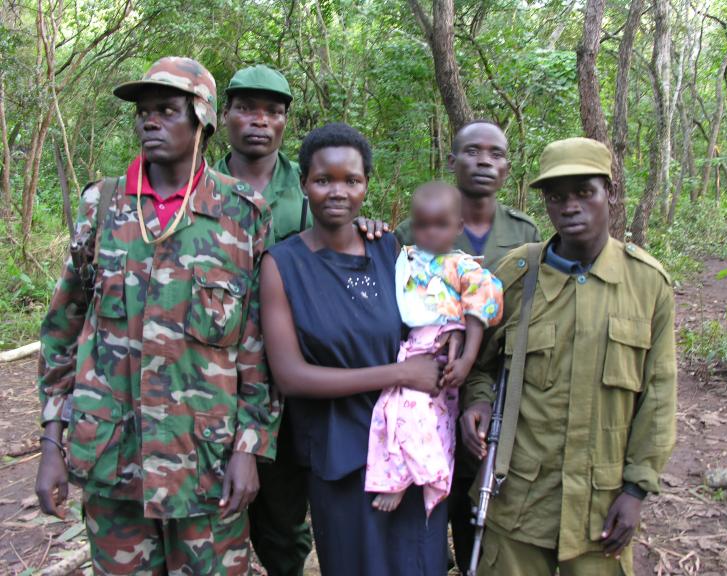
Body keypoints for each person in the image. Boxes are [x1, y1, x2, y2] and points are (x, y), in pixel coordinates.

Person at [35, 57, 275, 575]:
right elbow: (62, 328)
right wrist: (52, 442)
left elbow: (255, 347)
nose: (150, 121)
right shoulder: (102, 206)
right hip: (113, 459)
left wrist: (248, 449)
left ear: (203, 121)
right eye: (144, 112)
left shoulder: (242, 212)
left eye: (167, 110)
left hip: (203, 464)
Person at [461, 137, 677, 575]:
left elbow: (658, 397)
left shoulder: (647, 284)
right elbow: (476, 363)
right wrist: (478, 400)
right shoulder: (517, 276)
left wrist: (636, 492)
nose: (570, 206)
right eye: (557, 197)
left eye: (585, 192)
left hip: (601, 509)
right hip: (518, 499)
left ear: (610, 194)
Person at [260, 123, 449, 575]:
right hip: (339, 456)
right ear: (304, 183)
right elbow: (291, 375)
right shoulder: (282, 264)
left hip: (408, 453)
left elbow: (427, 330)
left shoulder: (389, 248)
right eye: (324, 180)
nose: (338, 192)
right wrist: (399, 374)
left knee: (418, 564)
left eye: (352, 180)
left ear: (367, 185)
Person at [394, 119, 540, 572]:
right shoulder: (416, 227)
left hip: (498, 383)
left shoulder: (525, 232)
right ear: (452, 161)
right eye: (473, 152)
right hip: (433, 381)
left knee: (487, 490)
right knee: (434, 489)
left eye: (495, 154)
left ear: (507, 167)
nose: (484, 161)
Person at [214, 64, 313, 575]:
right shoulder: (198, 186)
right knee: (213, 509)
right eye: (246, 109)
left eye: (272, 112)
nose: (259, 121)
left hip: (283, 378)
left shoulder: (310, 187)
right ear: (225, 115)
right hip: (210, 375)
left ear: (284, 123)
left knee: (283, 514)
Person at [365, 181, 503, 516]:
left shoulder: (463, 266)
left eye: (440, 225)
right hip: (412, 348)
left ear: (458, 227)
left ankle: (407, 478)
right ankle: (418, 473)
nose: (429, 233)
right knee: (390, 413)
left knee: (418, 413)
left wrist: (468, 358)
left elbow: (478, 310)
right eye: (422, 225)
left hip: (444, 351)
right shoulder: (407, 257)